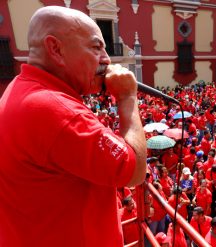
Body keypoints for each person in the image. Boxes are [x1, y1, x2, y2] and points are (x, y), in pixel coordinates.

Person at [0, 6, 147, 247]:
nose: (107, 59)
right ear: (55, 49)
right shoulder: (56, 109)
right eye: (96, 47)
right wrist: (128, 97)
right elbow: (136, 170)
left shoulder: (20, 90)